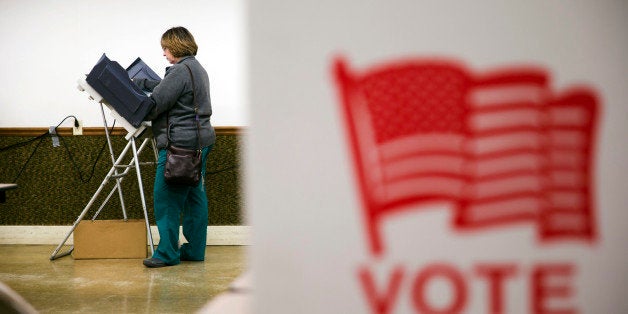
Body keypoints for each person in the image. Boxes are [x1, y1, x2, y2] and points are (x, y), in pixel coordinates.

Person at [133, 26, 216, 268]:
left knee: (166, 198)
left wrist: (130, 99)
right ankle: (195, 250)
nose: (163, 54)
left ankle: (167, 253)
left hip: (180, 146)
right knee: (194, 196)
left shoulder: (179, 71)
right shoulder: (196, 68)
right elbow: (169, 88)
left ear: (176, 47)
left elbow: (155, 105)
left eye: (165, 48)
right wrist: (144, 83)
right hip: (201, 142)